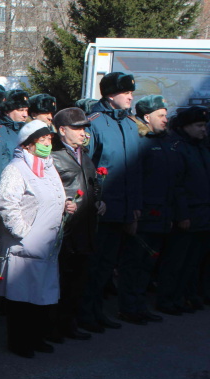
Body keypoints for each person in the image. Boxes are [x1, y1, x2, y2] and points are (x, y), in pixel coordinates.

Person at [0, 120, 76, 358]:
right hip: (26, 245)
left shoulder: (48, 167)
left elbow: (53, 197)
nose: (47, 144)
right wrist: (24, 233)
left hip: (47, 244)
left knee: (42, 295)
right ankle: (20, 342)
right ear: (28, 144)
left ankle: (37, 337)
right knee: (22, 298)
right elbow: (7, 204)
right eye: (42, 140)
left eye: (49, 140)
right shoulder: (17, 168)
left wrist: (65, 205)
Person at [79, 72, 141, 333]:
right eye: (126, 92)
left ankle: (97, 312)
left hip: (123, 208)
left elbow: (136, 170)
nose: (130, 96)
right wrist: (92, 203)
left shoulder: (129, 123)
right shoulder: (94, 122)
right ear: (110, 94)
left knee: (107, 266)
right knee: (92, 266)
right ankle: (84, 314)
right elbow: (85, 167)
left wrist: (135, 207)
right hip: (101, 208)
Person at [116, 95, 175, 322]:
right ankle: (128, 307)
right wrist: (134, 212)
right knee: (134, 263)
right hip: (143, 214)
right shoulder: (139, 141)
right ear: (147, 116)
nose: (165, 119)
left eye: (166, 115)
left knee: (148, 263)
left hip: (161, 214)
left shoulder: (164, 141)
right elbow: (134, 180)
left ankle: (140, 306)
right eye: (161, 115)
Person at [50, 108, 103, 340]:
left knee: (78, 280)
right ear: (62, 130)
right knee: (61, 280)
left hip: (85, 227)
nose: (83, 133)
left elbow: (90, 184)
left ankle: (69, 323)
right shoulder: (53, 155)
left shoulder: (84, 154)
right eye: (78, 128)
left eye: (84, 128)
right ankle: (53, 326)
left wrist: (99, 202)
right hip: (65, 229)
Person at [157, 106, 210, 314]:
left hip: (203, 213)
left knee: (194, 262)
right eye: (199, 126)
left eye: (204, 125)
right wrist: (183, 214)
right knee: (176, 260)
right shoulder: (177, 147)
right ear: (185, 126)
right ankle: (168, 299)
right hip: (188, 214)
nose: (203, 130)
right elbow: (177, 185)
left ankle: (187, 296)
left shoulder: (201, 147)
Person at [0, 89, 30, 182]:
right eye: (20, 110)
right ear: (7, 111)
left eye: (26, 110)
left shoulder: (29, 132)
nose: (25, 115)